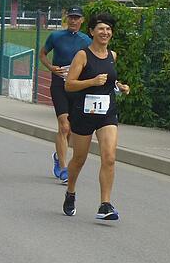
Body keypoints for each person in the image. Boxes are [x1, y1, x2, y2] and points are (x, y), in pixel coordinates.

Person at [61, 13, 130, 221]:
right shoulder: (82, 55)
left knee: (109, 157)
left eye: (108, 30)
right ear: (91, 31)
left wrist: (120, 86)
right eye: (101, 29)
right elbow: (69, 84)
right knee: (79, 159)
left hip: (107, 113)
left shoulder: (112, 55)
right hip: (84, 113)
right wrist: (91, 81)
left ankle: (105, 204)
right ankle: (70, 192)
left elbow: (108, 81)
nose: (105, 32)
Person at [39, 6, 91, 184]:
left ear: (82, 20)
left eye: (77, 18)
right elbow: (43, 54)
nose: (73, 21)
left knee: (71, 128)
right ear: (66, 19)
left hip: (77, 88)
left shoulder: (87, 40)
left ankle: (58, 155)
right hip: (59, 84)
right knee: (64, 127)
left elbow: (91, 62)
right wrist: (51, 68)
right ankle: (63, 168)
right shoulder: (56, 36)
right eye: (71, 17)